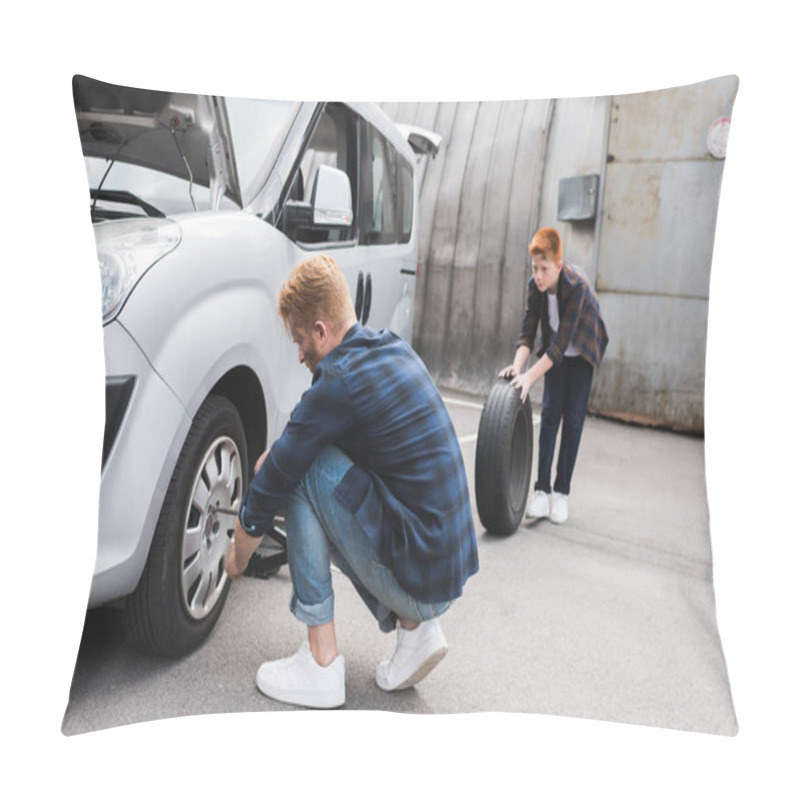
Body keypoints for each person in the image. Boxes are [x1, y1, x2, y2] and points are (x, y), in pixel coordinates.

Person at [225, 254, 478, 709]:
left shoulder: (337, 382)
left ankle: (320, 664)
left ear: (321, 331)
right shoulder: (389, 348)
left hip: (423, 579)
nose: (300, 354)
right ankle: (415, 633)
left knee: (300, 475)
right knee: (302, 461)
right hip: (443, 566)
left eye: (301, 341)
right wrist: (280, 456)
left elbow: (272, 486)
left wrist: (237, 556)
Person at [499, 227, 608, 525]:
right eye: (535, 268)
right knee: (549, 415)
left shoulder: (577, 288)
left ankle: (561, 493)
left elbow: (560, 345)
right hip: (556, 356)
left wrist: (531, 378)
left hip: (582, 351)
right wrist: (517, 368)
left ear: (558, 266)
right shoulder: (535, 287)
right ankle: (540, 491)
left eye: (544, 269)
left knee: (572, 420)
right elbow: (527, 332)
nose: (538, 275)